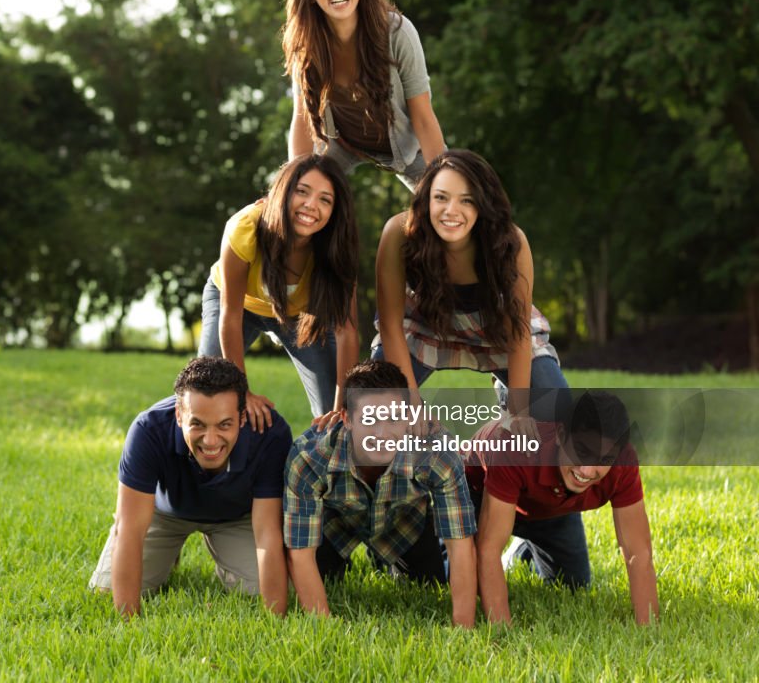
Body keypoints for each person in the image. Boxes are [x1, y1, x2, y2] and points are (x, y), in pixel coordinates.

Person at [372, 148, 568, 426]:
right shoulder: (400, 233)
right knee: (374, 404)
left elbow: (519, 330)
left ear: (483, 204)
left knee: (556, 414)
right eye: (441, 198)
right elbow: (390, 325)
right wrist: (411, 407)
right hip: (423, 327)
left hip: (498, 330)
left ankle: (506, 394)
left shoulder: (511, 242)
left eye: (467, 200)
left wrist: (519, 411)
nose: (452, 211)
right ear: (426, 199)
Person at [89, 356, 292, 617]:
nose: (210, 440)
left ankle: (226, 555)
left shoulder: (270, 433)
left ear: (242, 418)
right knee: (107, 591)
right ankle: (167, 555)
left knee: (260, 590)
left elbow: (267, 532)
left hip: (236, 517)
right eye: (197, 424)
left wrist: (276, 620)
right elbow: (129, 529)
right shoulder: (148, 429)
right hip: (165, 514)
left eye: (224, 425)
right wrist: (128, 622)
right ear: (179, 415)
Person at [282, 360, 477, 625]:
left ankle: (387, 560)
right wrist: (324, 629)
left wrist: (463, 629)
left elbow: (460, 545)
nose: (382, 433)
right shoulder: (309, 458)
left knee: (430, 585)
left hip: (405, 522)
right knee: (320, 579)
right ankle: (344, 562)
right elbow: (300, 553)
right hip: (334, 525)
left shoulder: (437, 453)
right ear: (347, 419)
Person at [465, 390, 659, 625]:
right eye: (582, 452)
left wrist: (648, 628)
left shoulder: (623, 462)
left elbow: (638, 551)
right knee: (456, 577)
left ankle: (522, 550)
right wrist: (502, 633)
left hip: (549, 506)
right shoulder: (514, 448)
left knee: (573, 585)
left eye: (603, 460)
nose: (587, 471)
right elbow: (488, 549)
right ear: (560, 434)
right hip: (480, 494)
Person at [198, 154, 359, 430]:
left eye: (325, 199)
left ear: (335, 211)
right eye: (302, 192)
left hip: (300, 316)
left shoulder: (336, 249)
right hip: (240, 306)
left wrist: (341, 407)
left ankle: (329, 464)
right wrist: (242, 392)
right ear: (284, 192)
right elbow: (231, 314)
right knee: (206, 385)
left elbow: (347, 331)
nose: (311, 205)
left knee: (339, 417)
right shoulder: (245, 227)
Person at [283, 0, 446, 192]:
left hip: (407, 148)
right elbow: (302, 120)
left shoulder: (397, 32)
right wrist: (292, 187)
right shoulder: (305, 43)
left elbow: (423, 117)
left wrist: (443, 186)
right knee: (295, 201)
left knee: (455, 202)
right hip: (341, 145)